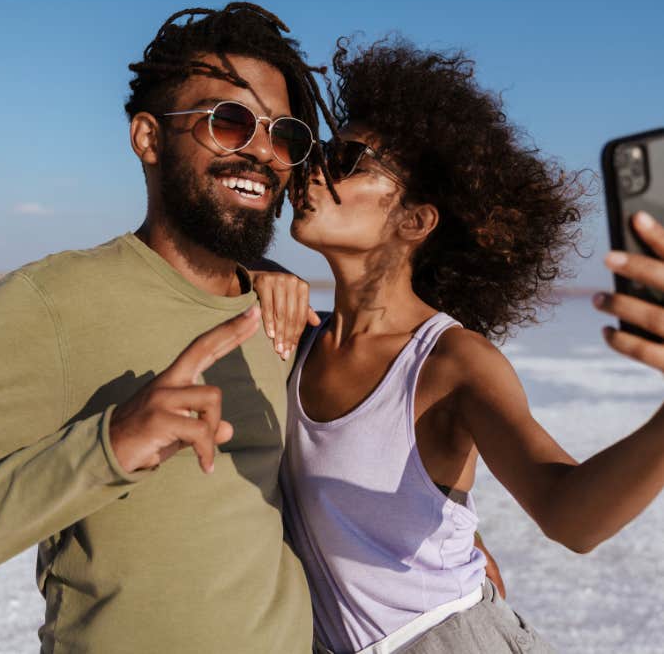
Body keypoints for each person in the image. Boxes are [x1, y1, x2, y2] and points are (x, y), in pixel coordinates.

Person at [0, 2, 337, 653]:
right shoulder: (54, 303)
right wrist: (107, 448)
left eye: (284, 134)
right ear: (148, 138)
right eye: (229, 120)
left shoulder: (282, 313)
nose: (262, 151)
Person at [252, 38, 664, 654]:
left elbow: (571, 518)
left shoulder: (452, 363)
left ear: (414, 221)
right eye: (320, 153)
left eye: (349, 159)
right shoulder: (295, 336)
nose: (314, 169)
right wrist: (255, 273)